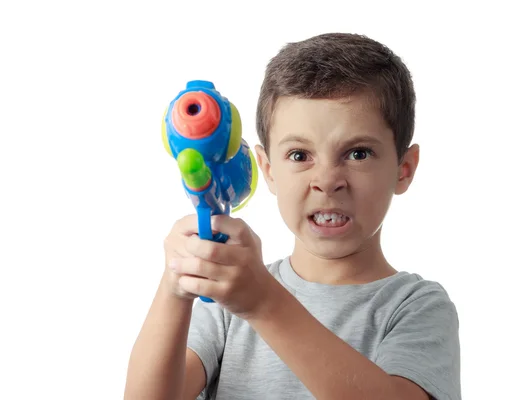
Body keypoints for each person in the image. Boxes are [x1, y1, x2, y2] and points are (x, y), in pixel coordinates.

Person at [125, 32, 461, 400]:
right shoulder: (225, 305)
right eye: (300, 155)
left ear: (404, 169)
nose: (327, 181)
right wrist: (175, 287)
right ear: (267, 170)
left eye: (358, 153)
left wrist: (264, 303)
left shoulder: (417, 306)